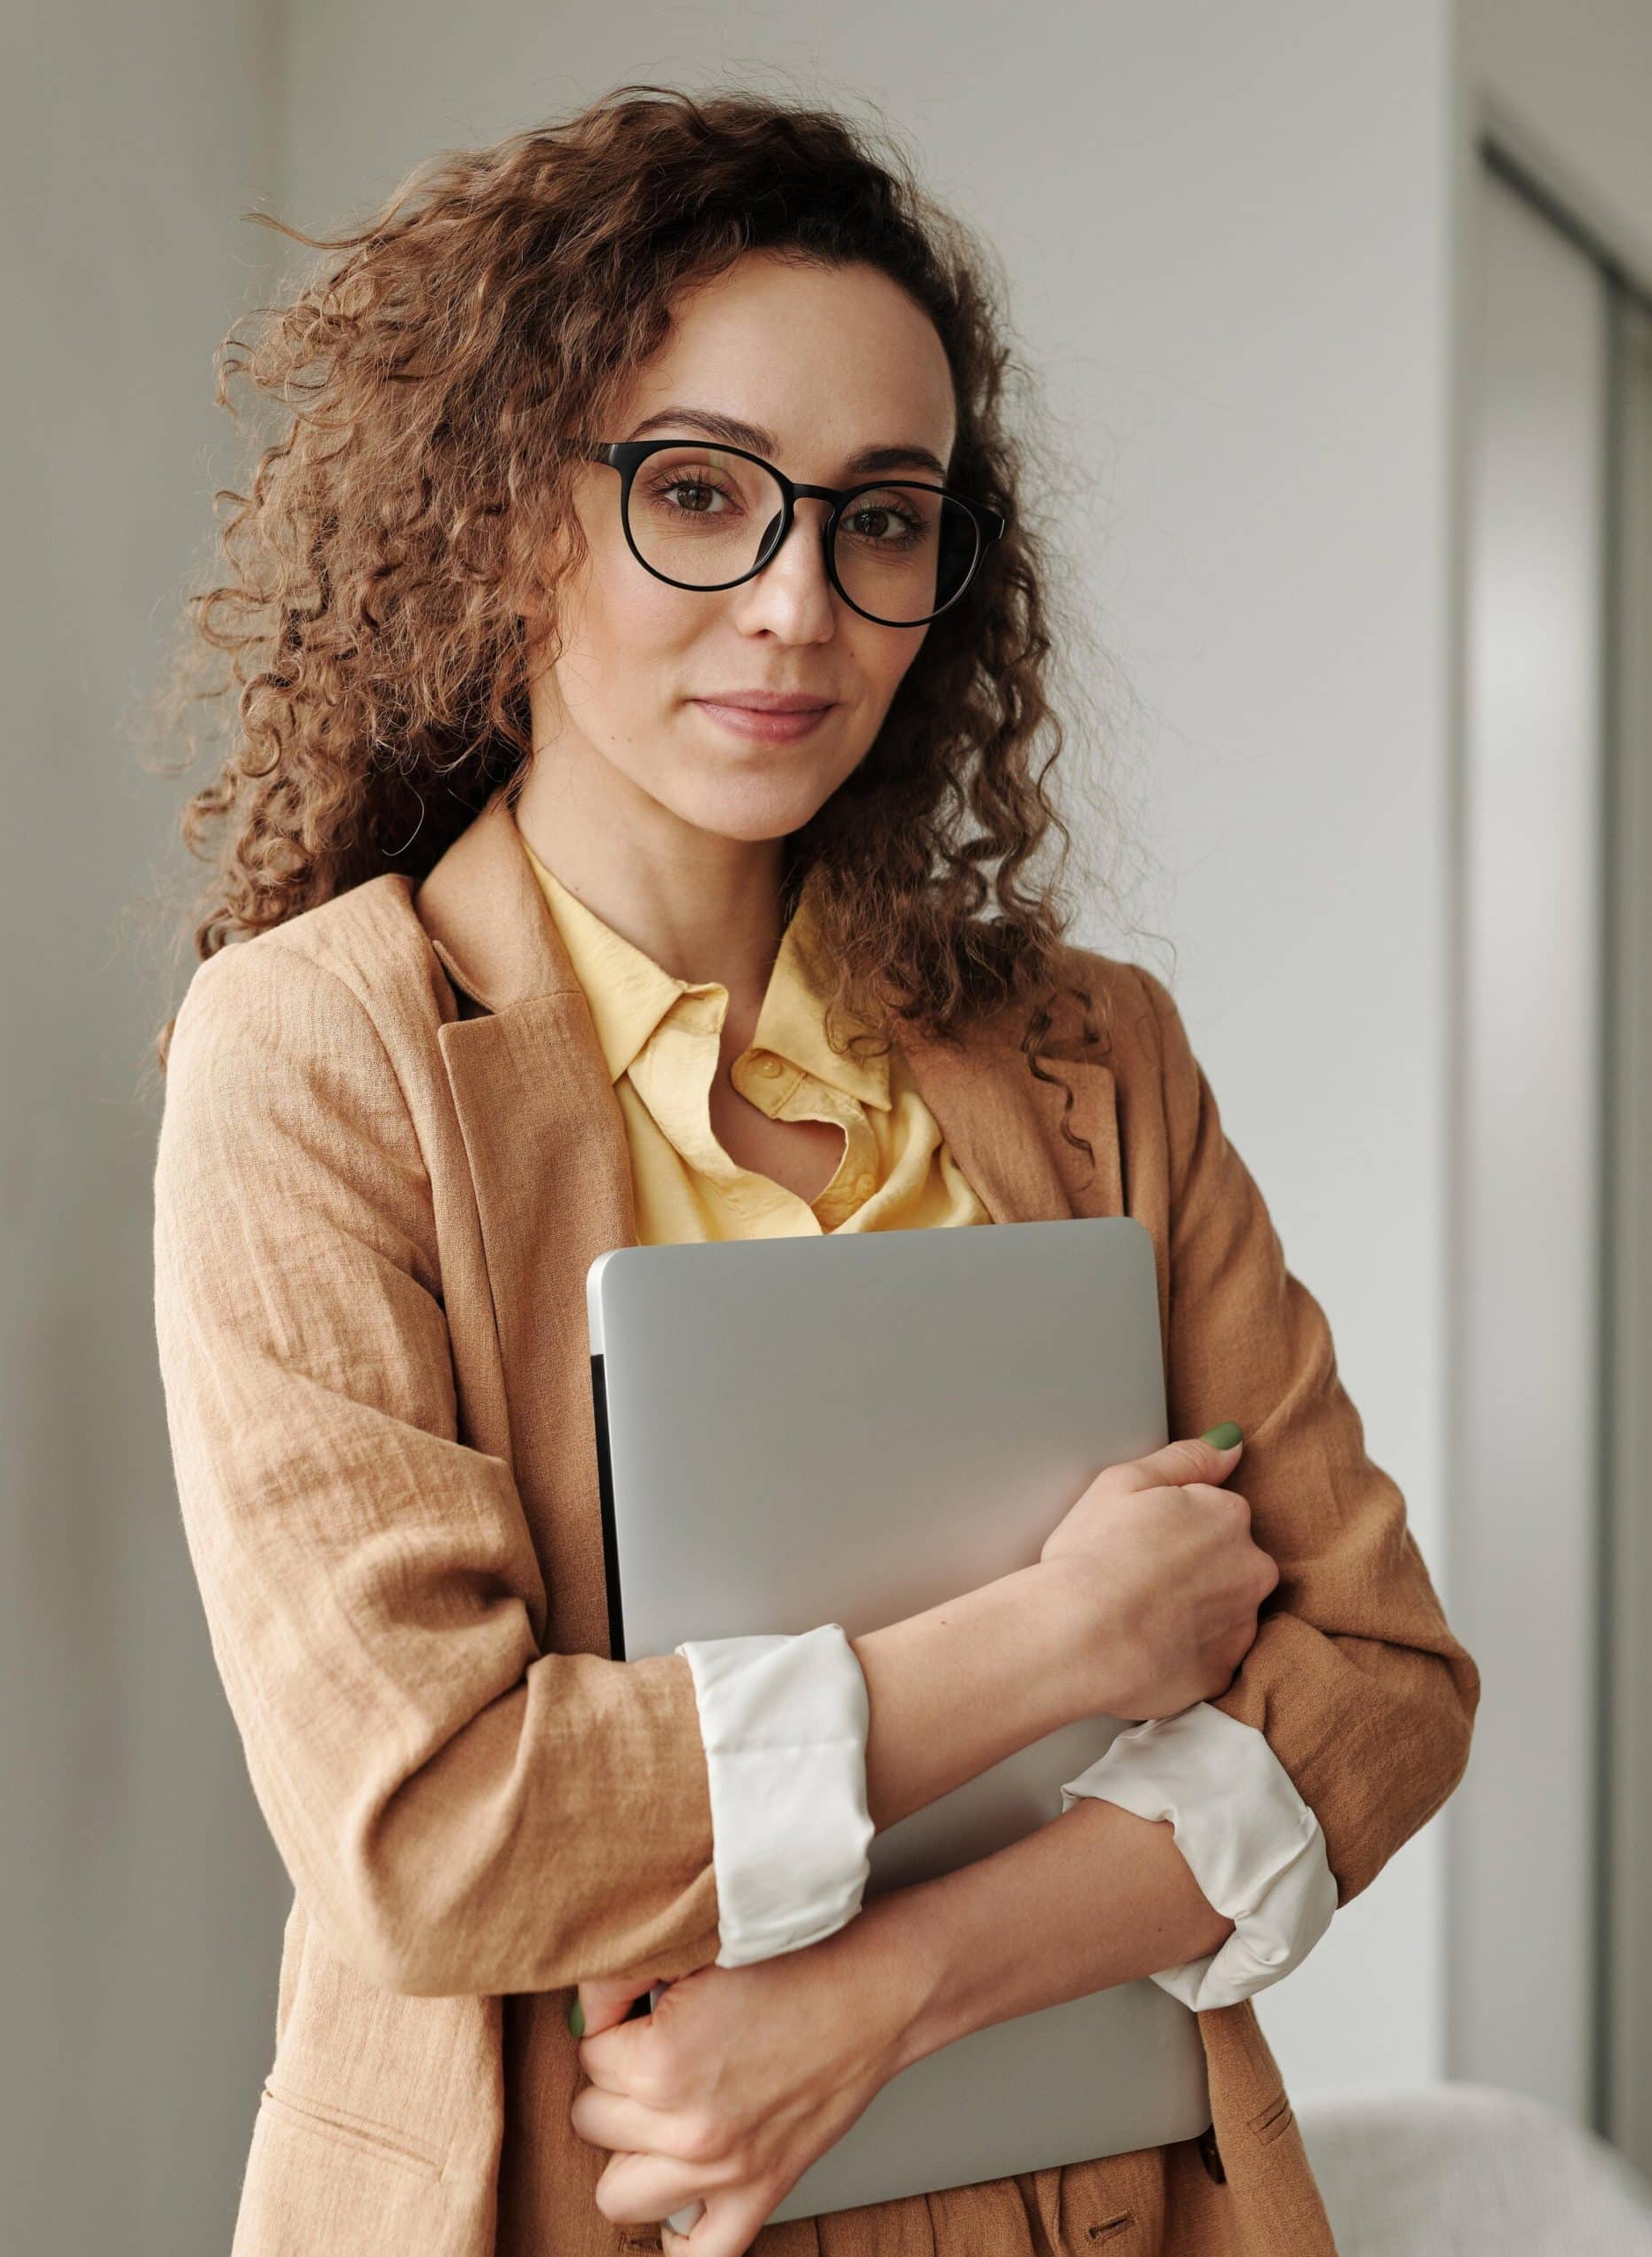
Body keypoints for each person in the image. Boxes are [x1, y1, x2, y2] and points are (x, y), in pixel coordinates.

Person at [149, 83, 1480, 2257]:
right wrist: (1055, 1639)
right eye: (700, 492)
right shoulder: (325, 1052)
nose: (796, 604)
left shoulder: (1088, 1050)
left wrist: (880, 1995)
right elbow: (439, 1823)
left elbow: (1380, 1677)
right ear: (510, 517)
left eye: (880, 517)